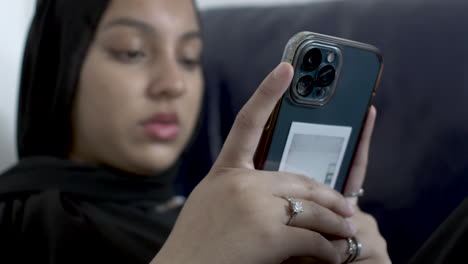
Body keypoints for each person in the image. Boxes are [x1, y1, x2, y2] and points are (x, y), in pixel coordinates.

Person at [0, 0, 390, 263]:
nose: (174, 84)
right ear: (58, 68)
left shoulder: (219, 211)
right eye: (132, 51)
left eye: (189, 59)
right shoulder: (19, 224)